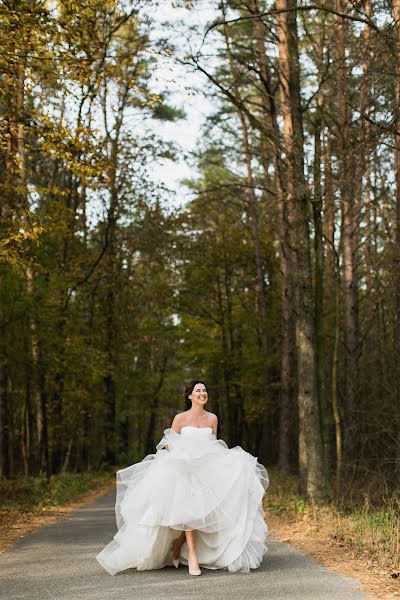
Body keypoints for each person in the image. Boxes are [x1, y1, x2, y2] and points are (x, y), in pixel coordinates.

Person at [96, 380, 269, 576]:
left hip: (205, 468)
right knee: (189, 508)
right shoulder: (180, 418)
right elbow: (168, 443)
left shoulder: (212, 418)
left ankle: (179, 542)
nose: (202, 393)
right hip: (183, 469)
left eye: (205, 390)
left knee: (206, 510)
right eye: (198, 390)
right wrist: (180, 453)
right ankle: (193, 556)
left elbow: (213, 445)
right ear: (190, 396)